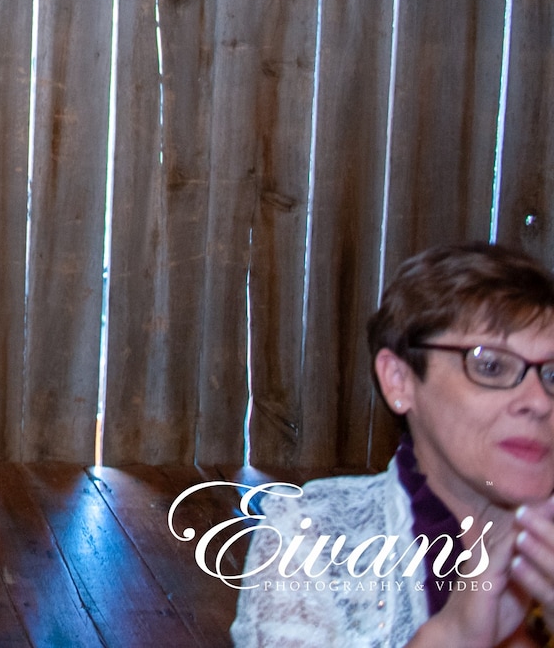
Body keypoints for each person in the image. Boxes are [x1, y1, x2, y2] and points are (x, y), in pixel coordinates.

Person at [232, 242, 554, 647]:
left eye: (553, 374)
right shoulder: (311, 538)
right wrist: (454, 635)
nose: (540, 402)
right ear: (399, 381)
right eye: (490, 365)